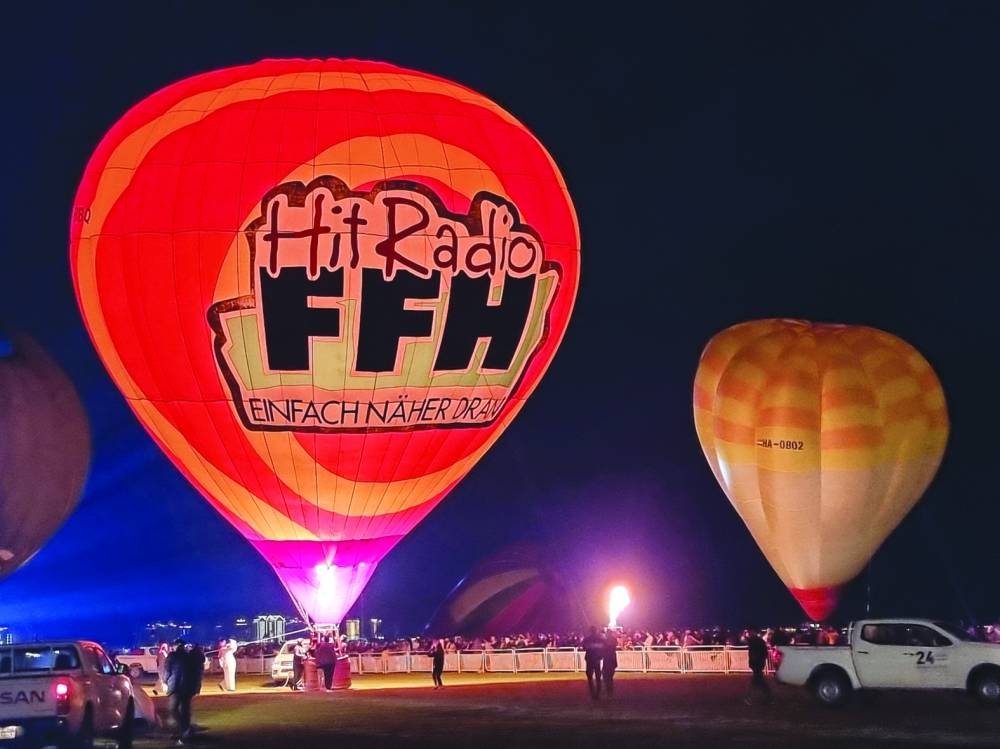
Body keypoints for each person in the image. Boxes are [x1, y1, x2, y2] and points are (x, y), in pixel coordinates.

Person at [165, 638, 198, 743]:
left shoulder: (172, 656)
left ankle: (184, 728)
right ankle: (185, 730)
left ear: (176, 646)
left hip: (176, 686)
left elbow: (167, 671)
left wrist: (165, 681)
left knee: (173, 709)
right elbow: (194, 672)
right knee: (185, 710)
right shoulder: (189, 657)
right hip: (187, 687)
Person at [744, 629, 772, 706]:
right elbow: (765, 653)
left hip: (756, 663)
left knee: (757, 681)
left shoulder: (754, 641)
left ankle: (750, 697)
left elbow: (746, 641)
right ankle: (766, 696)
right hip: (758, 663)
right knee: (759, 680)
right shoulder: (759, 641)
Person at [581, 626, 605, 700]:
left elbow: (584, 648)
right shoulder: (600, 639)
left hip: (589, 659)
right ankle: (597, 694)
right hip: (597, 659)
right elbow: (603, 648)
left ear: (590, 631)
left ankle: (592, 693)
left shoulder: (587, 639)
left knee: (590, 677)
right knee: (598, 677)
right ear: (596, 631)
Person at [602, 629, 619, 698]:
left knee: (607, 676)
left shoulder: (606, 640)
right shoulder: (613, 640)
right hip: (611, 659)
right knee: (609, 676)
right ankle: (609, 691)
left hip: (608, 659)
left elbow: (604, 648)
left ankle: (609, 691)